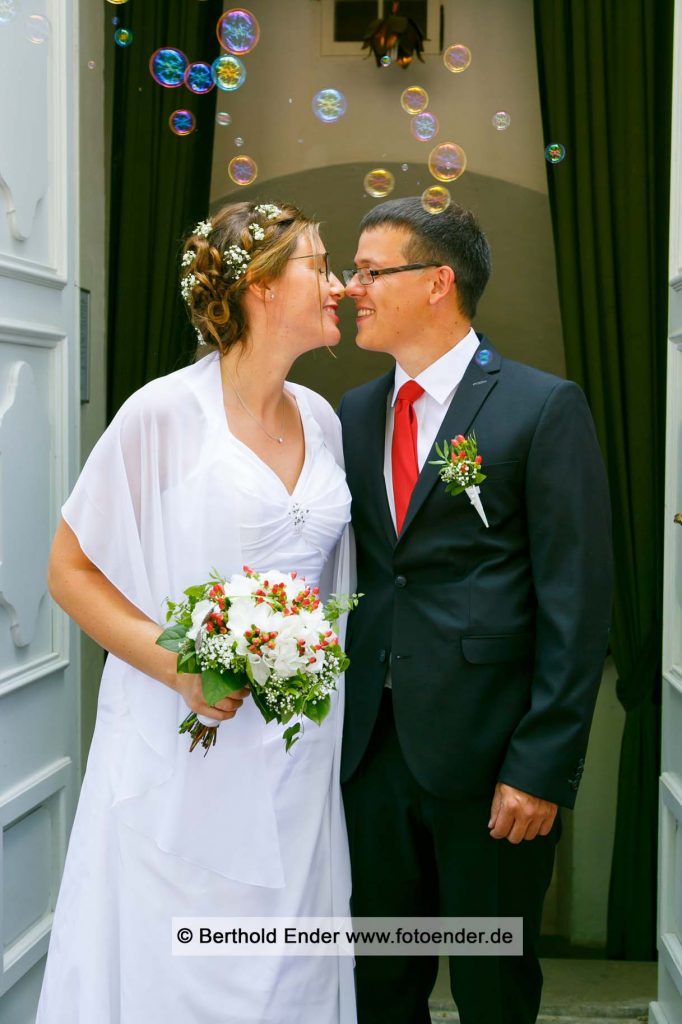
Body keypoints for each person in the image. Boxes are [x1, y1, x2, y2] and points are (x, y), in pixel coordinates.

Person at [36, 201, 356, 1024]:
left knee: (288, 977)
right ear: (258, 286)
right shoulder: (163, 415)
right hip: (187, 753)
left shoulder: (320, 420)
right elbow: (69, 572)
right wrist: (179, 664)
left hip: (295, 752)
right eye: (318, 266)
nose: (340, 285)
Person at [338, 196, 613, 1024]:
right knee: (379, 983)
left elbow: (576, 599)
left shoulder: (541, 406)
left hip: (494, 759)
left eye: (370, 270)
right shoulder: (351, 415)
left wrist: (542, 765)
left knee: (493, 985)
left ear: (437, 283)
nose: (353, 288)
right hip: (369, 758)